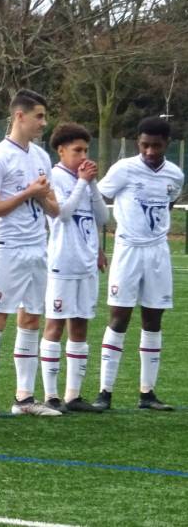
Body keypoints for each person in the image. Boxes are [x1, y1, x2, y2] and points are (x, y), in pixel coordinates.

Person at [0, 89, 60, 417]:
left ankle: (24, 399)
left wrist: (41, 196)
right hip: (8, 248)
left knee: (31, 318)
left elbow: (53, 209)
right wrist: (29, 192)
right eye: (39, 116)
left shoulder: (40, 158)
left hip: (37, 247)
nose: (44, 123)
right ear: (19, 116)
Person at [93, 117, 184, 411]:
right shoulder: (123, 169)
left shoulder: (175, 174)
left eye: (155, 146)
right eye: (144, 145)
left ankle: (147, 393)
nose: (149, 151)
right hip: (128, 251)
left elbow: (166, 206)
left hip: (158, 252)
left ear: (166, 145)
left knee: (153, 320)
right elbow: (97, 199)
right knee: (119, 317)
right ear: (138, 143)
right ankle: (104, 392)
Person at [39, 123, 108, 413]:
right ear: (61, 150)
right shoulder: (52, 177)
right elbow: (63, 214)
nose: (83, 155)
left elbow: (102, 217)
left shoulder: (85, 180)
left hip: (86, 263)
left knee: (80, 325)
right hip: (62, 263)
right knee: (55, 325)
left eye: (85, 150)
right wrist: (82, 183)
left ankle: (73, 395)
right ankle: (51, 395)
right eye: (77, 150)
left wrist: (91, 185)